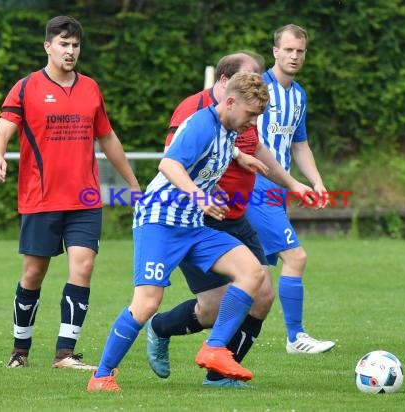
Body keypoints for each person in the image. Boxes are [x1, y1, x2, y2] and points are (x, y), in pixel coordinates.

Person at [87, 71, 270, 392]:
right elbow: (169, 165)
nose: (253, 122)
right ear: (229, 102)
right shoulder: (202, 124)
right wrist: (200, 196)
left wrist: (242, 157)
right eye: (251, 114)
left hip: (191, 226)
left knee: (252, 272)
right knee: (146, 302)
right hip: (160, 221)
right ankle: (101, 376)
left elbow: (221, 148)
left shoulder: (229, 129)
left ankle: (214, 349)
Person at [145, 51, 316, 388]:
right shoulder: (194, 110)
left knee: (262, 296)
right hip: (201, 220)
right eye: (249, 78)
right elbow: (174, 162)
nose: (258, 84)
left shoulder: (246, 115)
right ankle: (159, 327)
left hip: (237, 218)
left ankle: (220, 373)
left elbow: (257, 149)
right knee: (212, 310)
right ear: (226, 83)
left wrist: (294, 184)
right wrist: (208, 189)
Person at [0, 15, 140, 369]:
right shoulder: (25, 88)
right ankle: (19, 351)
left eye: (75, 46)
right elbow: (2, 131)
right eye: (63, 44)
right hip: (41, 198)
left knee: (83, 267)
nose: (70, 51)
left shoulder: (90, 88)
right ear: (48, 46)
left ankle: (65, 354)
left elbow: (108, 138)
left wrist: (132, 184)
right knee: (33, 273)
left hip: (85, 198)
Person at [245, 24, 336, 354]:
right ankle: (295, 336)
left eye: (300, 51)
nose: (294, 56)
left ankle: (204, 340)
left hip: (277, 194)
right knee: (296, 257)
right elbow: (248, 143)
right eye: (288, 50)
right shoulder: (257, 88)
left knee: (257, 281)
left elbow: (300, 145)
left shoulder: (298, 95)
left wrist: (316, 181)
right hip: (254, 190)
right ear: (275, 52)